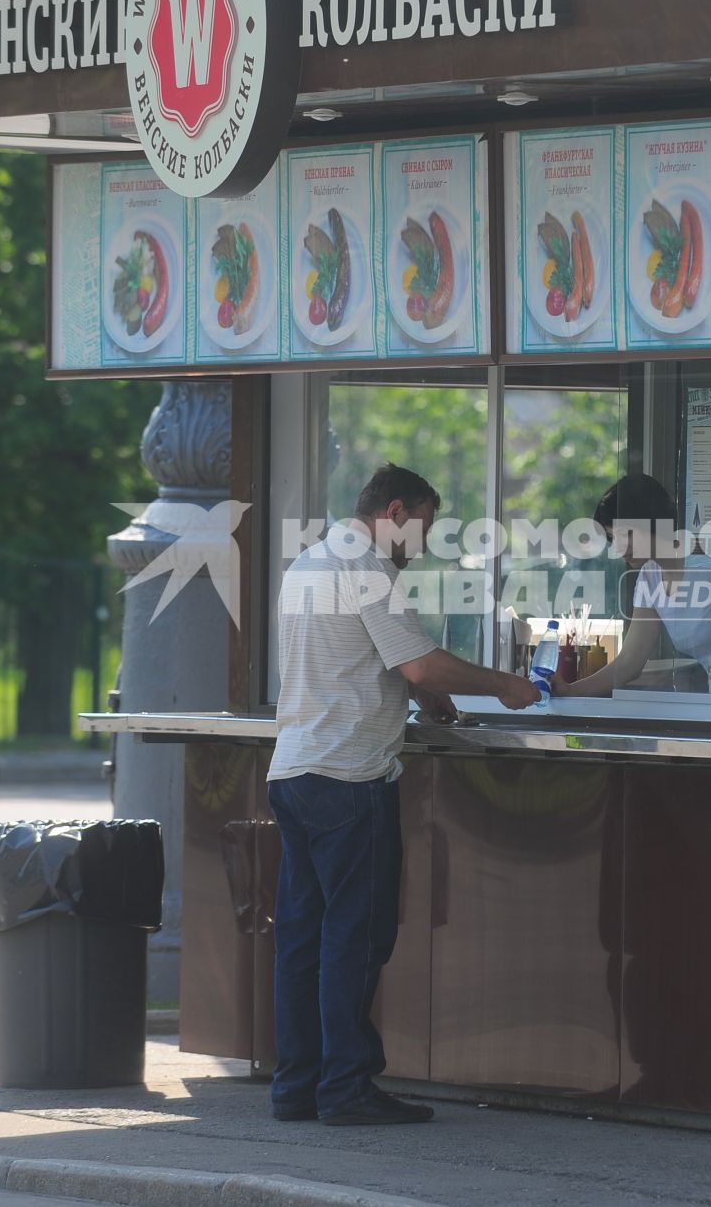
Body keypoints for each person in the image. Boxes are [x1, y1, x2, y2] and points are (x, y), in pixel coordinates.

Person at [267, 463, 539, 1126]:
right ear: (395, 511)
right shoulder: (368, 568)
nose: (423, 544)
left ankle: (297, 1084)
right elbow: (418, 661)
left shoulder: (310, 562)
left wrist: (420, 691)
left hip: (295, 771)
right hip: (350, 778)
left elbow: (367, 660)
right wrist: (503, 683)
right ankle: (347, 1088)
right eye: (423, 526)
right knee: (354, 940)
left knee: (303, 938)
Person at [555, 474, 711, 697]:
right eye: (612, 538)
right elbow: (630, 662)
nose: (619, 547)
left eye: (626, 534)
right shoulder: (649, 577)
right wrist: (571, 691)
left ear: (654, 521)